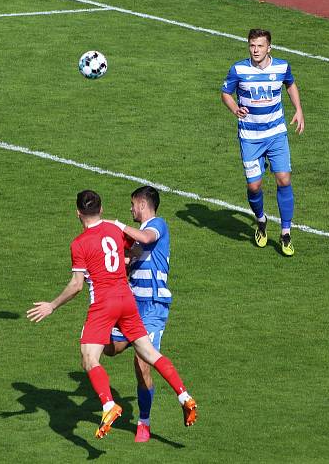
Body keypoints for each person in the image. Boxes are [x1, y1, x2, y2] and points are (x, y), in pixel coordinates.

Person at [27, 190, 197, 440]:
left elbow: (76, 286)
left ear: (78, 213)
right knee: (146, 352)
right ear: (102, 209)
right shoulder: (115, 231)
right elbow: (130, 252)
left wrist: (51, 305)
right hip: (128, 301)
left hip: (106, 304)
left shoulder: (79, 243)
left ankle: (108, 405)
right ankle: (184, 395)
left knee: (89, 357)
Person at [221, 28, 305, 256]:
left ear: (269, 47)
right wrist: (234, 108)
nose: (255, 50)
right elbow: (226, 93)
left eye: (260, 46)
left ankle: (286, 232)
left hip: (276, 133)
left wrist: (298, 109)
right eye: (252, 45)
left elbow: (290, 84)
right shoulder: (238, 69)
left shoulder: (282, 67)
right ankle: (260, 221)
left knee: (284, 179)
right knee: (254, 186)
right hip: (250, 137)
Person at [103, 186, 172, 443]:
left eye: (133, 204)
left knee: (141, 363)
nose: (131, 209)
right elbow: (129, 258)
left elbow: (146, 239)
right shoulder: (137, 239)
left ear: (143, 204)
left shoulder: (157, 226)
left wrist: (117, 224)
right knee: (110, 348)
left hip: (153, 306)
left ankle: (144, 422)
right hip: (132, 305)